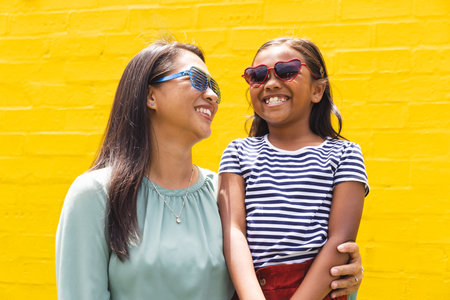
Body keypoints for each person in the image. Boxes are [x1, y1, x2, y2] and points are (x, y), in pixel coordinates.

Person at [55, 39, 364, 300]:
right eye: (197, 80)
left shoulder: (223, 192)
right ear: (150, 96)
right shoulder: (95, 195)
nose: (213, 95)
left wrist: (346, 276)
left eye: (214, 86)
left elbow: (294, 254)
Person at [218, 37, 369, 300]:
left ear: (317, 91)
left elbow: (340, 241)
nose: (271, 83)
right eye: (258, 75)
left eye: (287, 71)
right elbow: (233, 231)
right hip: (251, 288)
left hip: (317, 289)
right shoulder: (238, 152)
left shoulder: (345, 154)